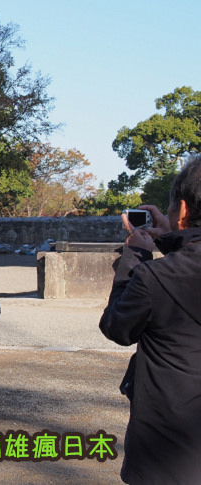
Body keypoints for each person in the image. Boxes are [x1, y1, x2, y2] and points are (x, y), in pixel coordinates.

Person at [99, 155, 201, 483]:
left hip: (167, 447)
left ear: (182, 210)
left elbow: (117, 327)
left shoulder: (153, 277)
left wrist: (135, 256)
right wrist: (172, 237)